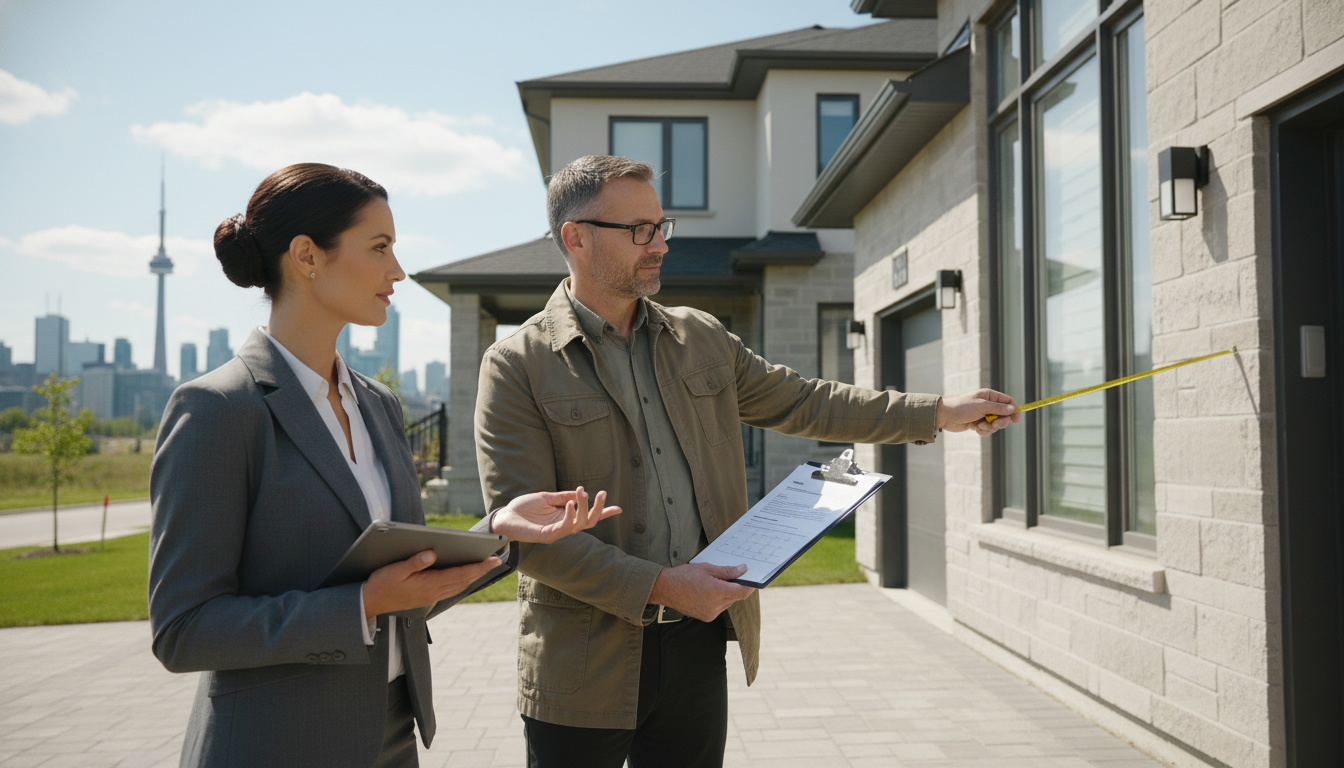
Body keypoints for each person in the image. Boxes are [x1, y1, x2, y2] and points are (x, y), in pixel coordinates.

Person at [474, 155, 1022, 768]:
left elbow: (808, 402)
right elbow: (525, 534)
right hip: (580, 658)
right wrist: (660, 586)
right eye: (638, 231)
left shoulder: (700, 338)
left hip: (699, 642)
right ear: (574, 238)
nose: (658, 245)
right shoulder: (516, 365)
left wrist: (938, 411)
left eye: (661, 226)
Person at [148, 163, 620, 768]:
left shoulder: (378, 406)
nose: (397, 270)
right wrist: (360, 605)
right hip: (275, 744)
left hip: (391, 734)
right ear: (306, 255)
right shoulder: (218, 409)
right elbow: (184, 629)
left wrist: (498, 532)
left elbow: (404, 584)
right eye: (379, 248)